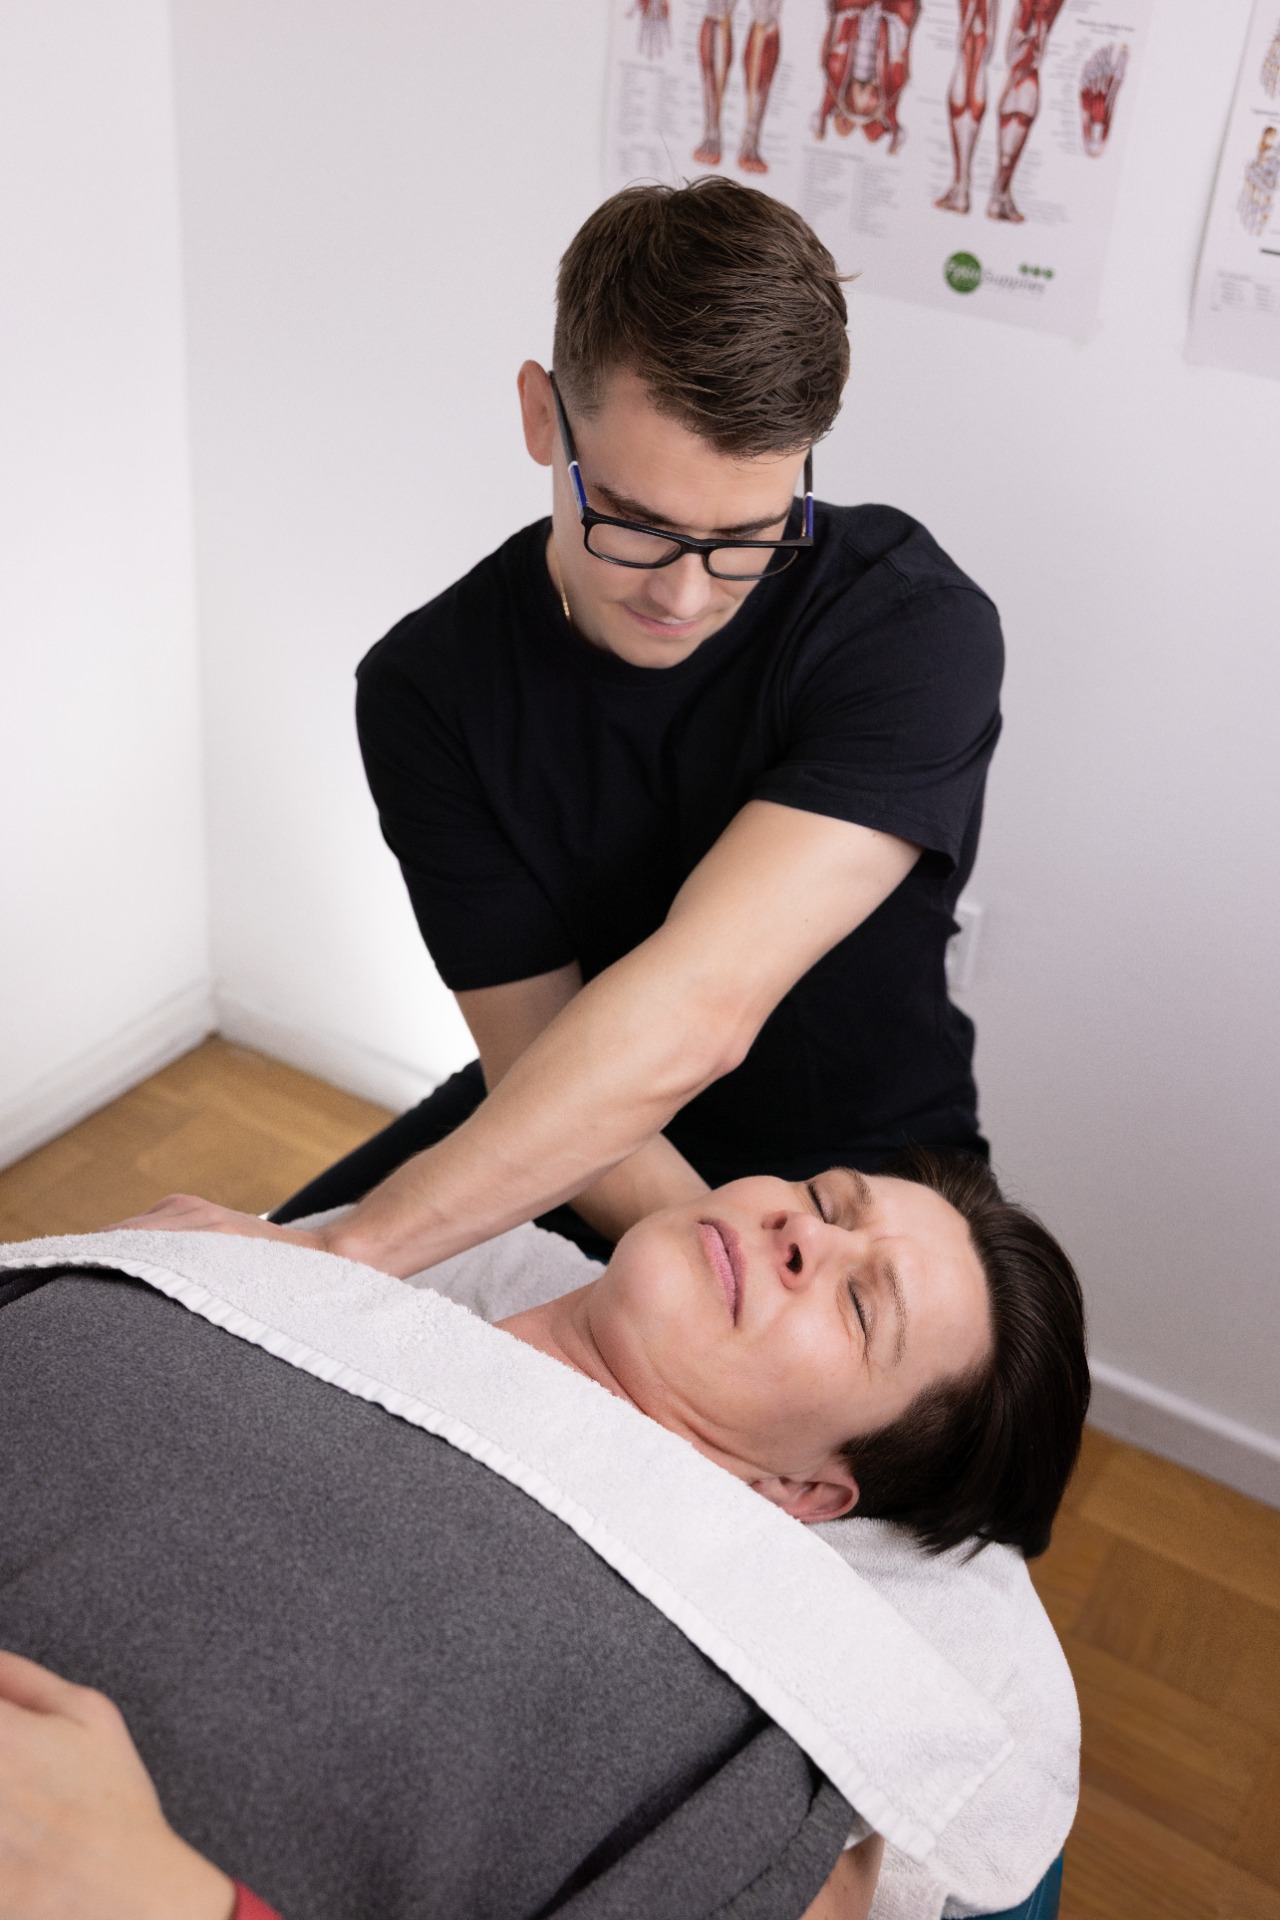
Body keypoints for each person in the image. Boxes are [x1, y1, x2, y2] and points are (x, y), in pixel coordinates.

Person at [130, 177, 1007, 1288]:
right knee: (211, 1300)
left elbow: (703, 1006)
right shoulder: (426, 689)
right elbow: (535, 1053)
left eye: (747, 536)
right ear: (542, 417)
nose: (685, 595)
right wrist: (320, 1263)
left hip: (869, 1180)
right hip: (565, 1123)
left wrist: (348, 1254)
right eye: (634, 524)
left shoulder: (905, 624)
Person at [16, 1147, 1086, 1920]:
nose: (804, 1234)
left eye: (860, 1308)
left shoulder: (727, 1734)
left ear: (809, 1490)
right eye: (822, 1200)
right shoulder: (252, 1278)